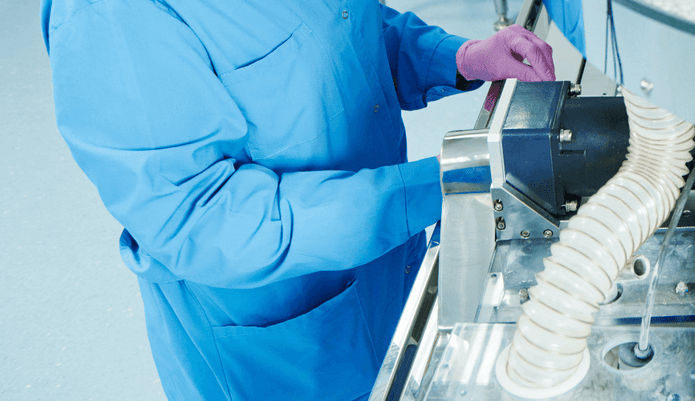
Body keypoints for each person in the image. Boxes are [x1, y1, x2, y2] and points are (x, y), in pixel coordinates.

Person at [42, 1, 556, 399]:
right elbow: (203, 217)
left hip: (388, 277)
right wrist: (439, 186)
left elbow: (347, 30)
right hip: (284, 340)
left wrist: (459, 59)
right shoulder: (111, 16)